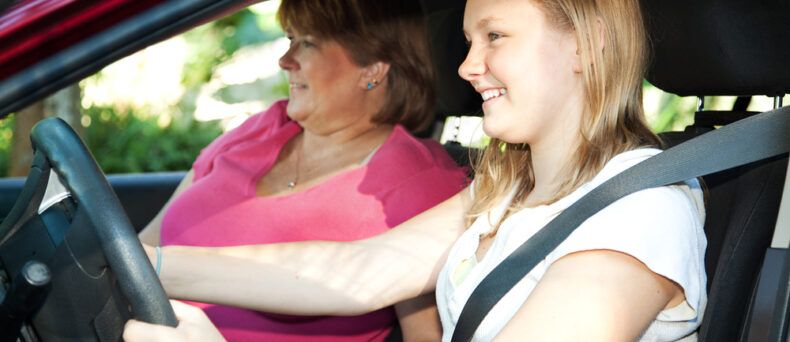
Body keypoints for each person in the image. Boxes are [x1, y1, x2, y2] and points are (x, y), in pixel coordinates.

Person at [125, 0, 707, 340]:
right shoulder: (506, 189)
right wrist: (139, 264)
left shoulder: (640, 211)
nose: (468, 65)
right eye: (467, 41)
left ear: (587, 43)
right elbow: (356, 270)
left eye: (495, 37)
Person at [132, 0, 470, 341]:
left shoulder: (420, 182)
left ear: (373, 67)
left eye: (308, 43)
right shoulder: (259, 129)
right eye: (290, 38)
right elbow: (140, 249)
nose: (284, 60)